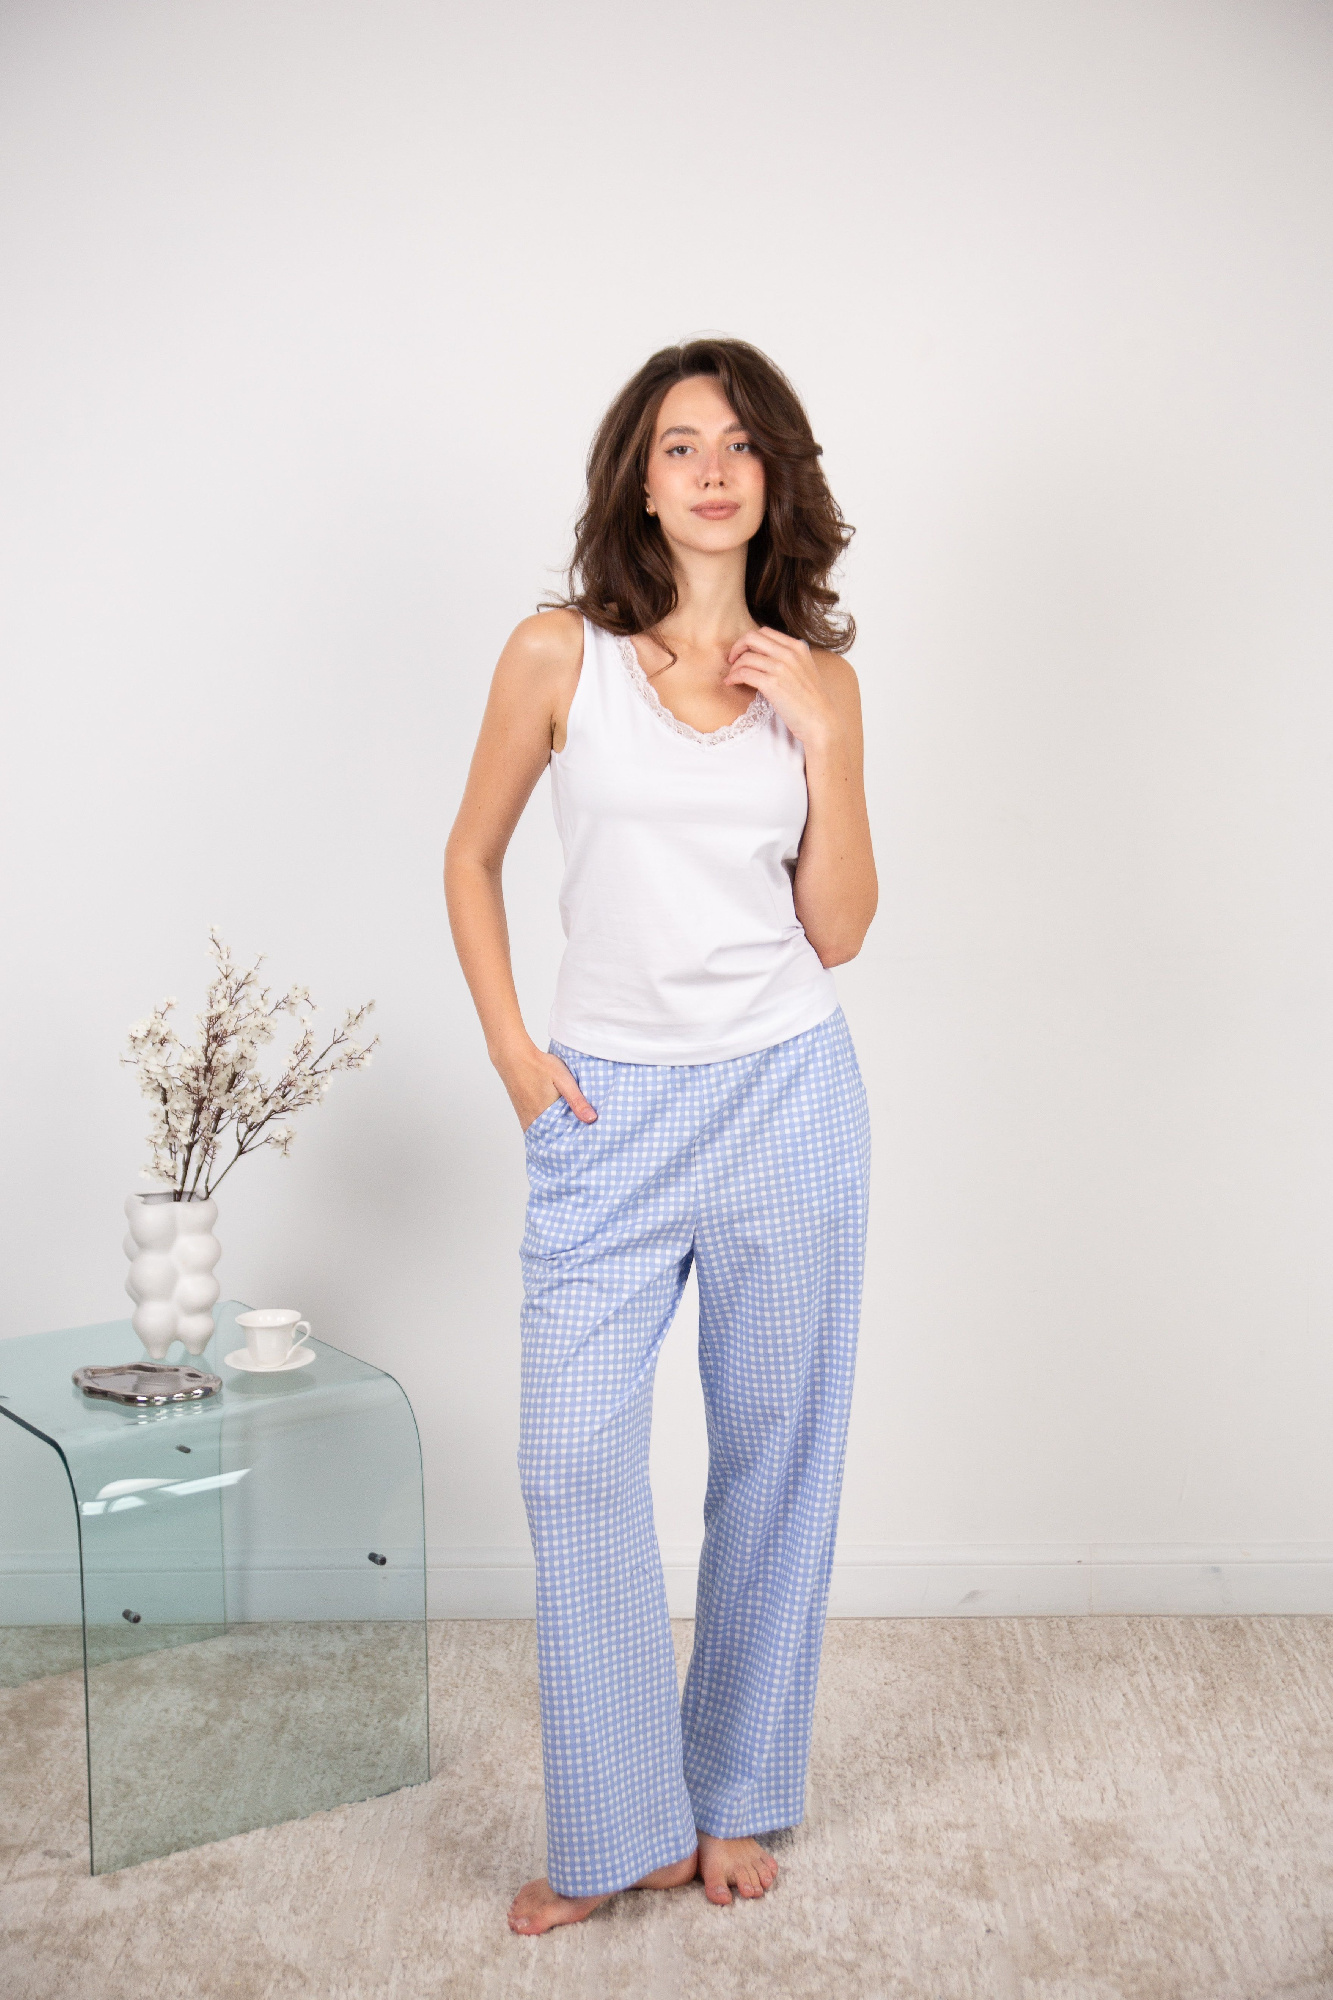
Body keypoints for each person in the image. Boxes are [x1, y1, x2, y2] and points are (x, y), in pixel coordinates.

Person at [444, 337, 877, 1935]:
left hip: (786, 1096)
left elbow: (838, 931)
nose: (710, 469)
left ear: (775, 480)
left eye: (740, 445)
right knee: (571, 1459)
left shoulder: (815, 681)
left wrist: (825, 741)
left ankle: (735, 1797)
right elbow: (471, 855)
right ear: (638, 476)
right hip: (607, 1109)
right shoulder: (556, 654)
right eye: (681, 443)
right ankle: (619, 1824)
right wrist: (515, 1052)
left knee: (775, 1456)